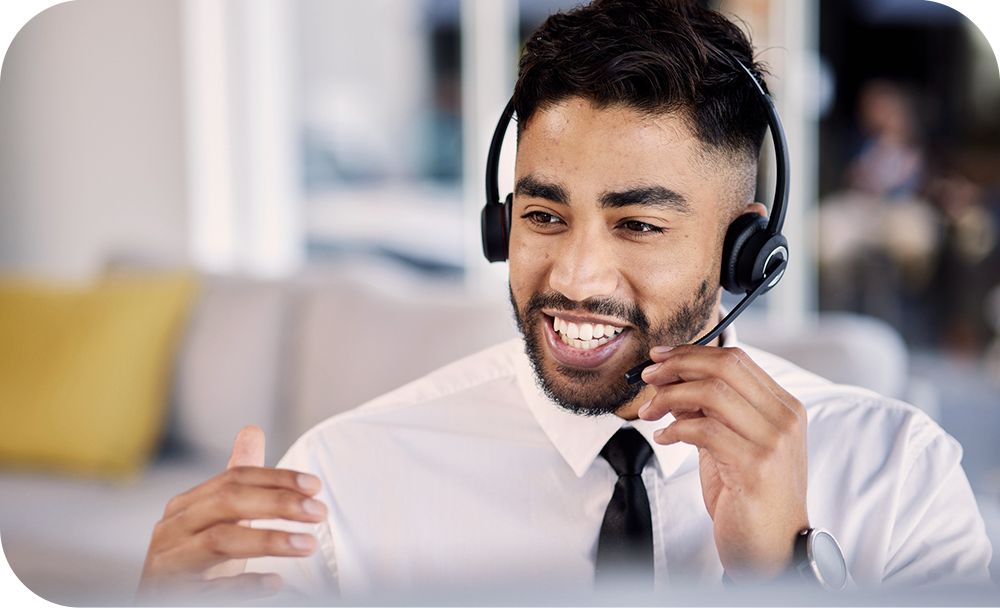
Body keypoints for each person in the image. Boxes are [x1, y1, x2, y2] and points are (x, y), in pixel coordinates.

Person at [136, 0, 993, 603]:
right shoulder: (343, 482)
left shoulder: (899, 473)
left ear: (746, 248)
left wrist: (784, 581)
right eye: (544, 215)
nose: (576, 275)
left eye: (638, 226)